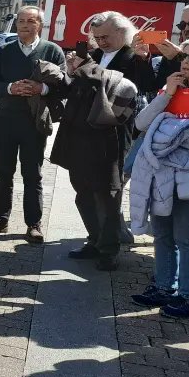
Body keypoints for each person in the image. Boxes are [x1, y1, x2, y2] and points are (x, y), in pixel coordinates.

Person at [0, 6, 66, 243]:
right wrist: (10, 88)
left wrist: (42, 88)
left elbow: (64, 86)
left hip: (34, 121)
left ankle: (33, 224)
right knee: (3, 172)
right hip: (6, 118)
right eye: (21, 21)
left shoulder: (52, 51)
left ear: (40, 25)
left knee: (32, 174)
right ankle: (0, 219)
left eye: (31, 21)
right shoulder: (3, 51)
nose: (25, 25)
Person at [52, 40, 140, 270]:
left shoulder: (125, 75)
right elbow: (65, 92)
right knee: (84, 197)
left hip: (106, 150)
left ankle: (109, 251)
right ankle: (95, 241)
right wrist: (69, 72)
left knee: (107, 200)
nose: (99, 42)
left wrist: (83, 67)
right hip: (78, 146)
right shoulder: (85, 72)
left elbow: (113, 112)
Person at [129, 39, 189, 318]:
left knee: (187, 238)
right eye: (184, 57)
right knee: (163, 234)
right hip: (161, 175)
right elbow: (142, 124)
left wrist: (172, 137)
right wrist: (166, 94)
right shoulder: (170, 89)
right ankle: (164, 286)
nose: (186, 62)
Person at [153, 2, 189, 91]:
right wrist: (143, 58)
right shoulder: (172, 53)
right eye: (183, 25)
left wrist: (178, 57)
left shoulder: (175, 54)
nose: (186, 29)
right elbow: (157, 90)